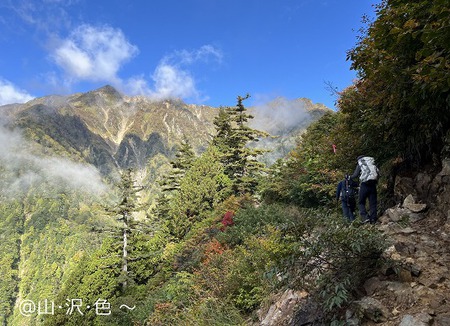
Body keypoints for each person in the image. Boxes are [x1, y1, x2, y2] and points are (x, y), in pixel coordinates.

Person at [350, 155, 380, 224]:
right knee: (373, 203)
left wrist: (349, 177)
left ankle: (365, 217)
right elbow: (378, 173)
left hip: (364, 185)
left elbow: (355, 175)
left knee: (361, 202)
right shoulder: (371, 163)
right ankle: (373, 220)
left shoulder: (360, 164)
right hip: (373, 185)